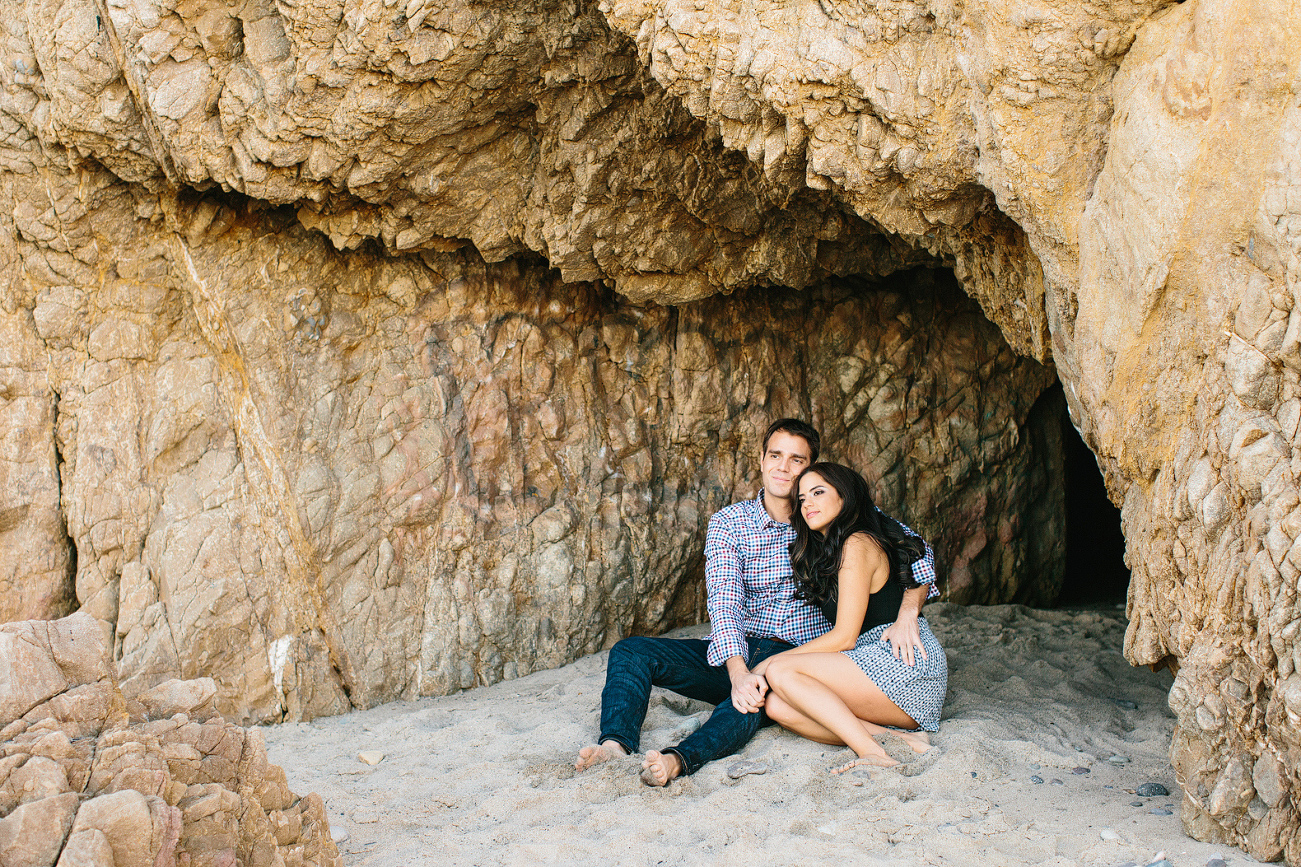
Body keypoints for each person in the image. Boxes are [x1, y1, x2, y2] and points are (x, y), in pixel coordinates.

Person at [574, 419, 938, 785]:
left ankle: (679, 760)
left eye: (797, 460)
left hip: (805, 657)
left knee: (756, 698)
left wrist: (908, 612)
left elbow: (917, 553)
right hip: (740, 652)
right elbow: (724, 604)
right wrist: (739, 673)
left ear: (811, 468)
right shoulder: (731, 523)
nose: (783, 467)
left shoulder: (826, 516)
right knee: (631, 652)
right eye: (775, 455)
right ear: (762, 460)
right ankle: (615, 746)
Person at [755, 462, 948, 772]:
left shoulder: (857, 543)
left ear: (844, 497)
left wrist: (767, 665)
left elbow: (845, 636)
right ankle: (900, 739)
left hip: (903, 661)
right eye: (802, 499)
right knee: (777, 705)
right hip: (873, 664)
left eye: (818, 492)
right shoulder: (833, 548)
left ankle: (870, 751)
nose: (808, 504)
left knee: (780, 672)